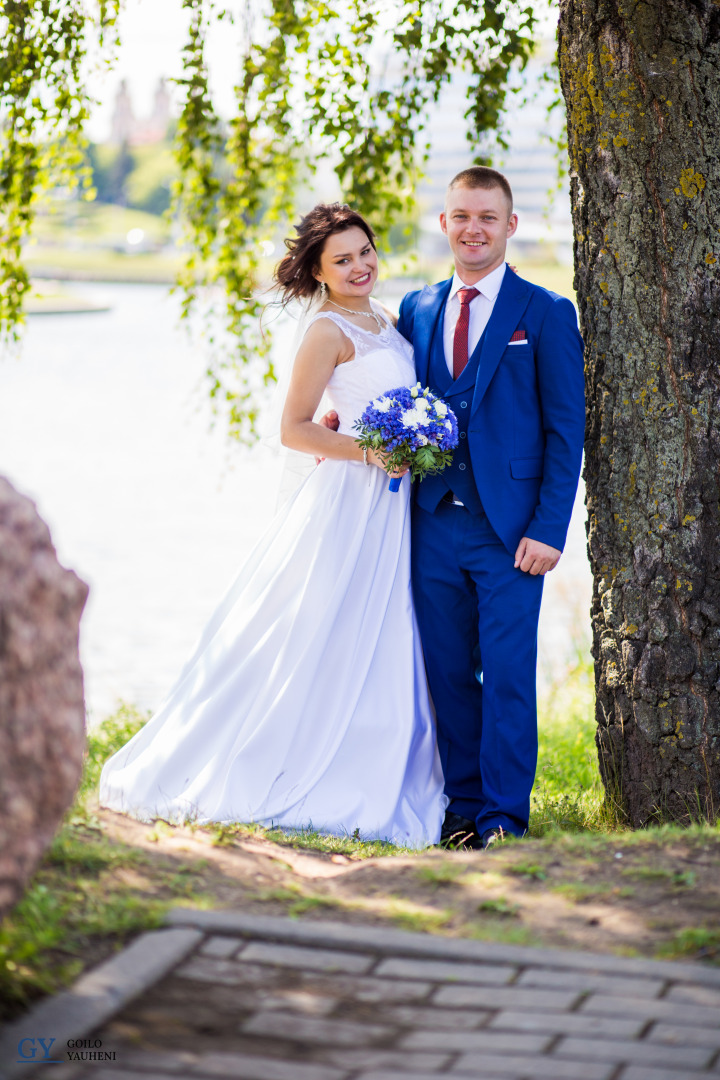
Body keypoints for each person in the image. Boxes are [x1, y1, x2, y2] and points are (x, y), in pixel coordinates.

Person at [99, 203, 446, 848]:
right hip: (351, 496)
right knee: (323, 623)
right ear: (318, 272)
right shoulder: (325, 331)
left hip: (393, 499)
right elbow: (294, 428)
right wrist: (371, 449)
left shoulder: (388, 318)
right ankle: (293, 758)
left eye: (364, 251)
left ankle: (382, 749)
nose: (359, 266)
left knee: (385, 625)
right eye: (341, 260)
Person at [398, 166, 585, 849]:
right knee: (447, 674)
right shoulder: (416, 309)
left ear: (510, 225)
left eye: (487, 217)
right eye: (460, 216)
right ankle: (462, 808)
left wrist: (549, 528)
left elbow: (567, 430)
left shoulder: (544, 312)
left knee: (506, 676)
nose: (472, 228)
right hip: (430, 525)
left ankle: (503, 817)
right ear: (444, 224)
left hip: (511, 535)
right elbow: (399, 398)